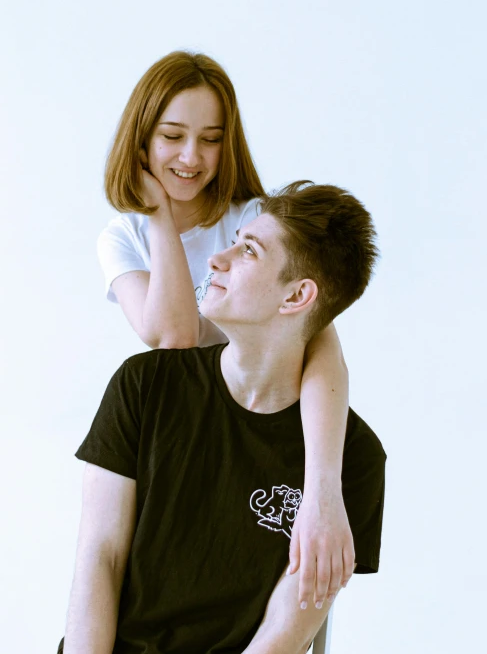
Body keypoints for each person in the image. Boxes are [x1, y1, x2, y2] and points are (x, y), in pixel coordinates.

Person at [59, 181, 386, 654]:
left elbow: (283, 634)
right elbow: (99, 559)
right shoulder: (145, 385)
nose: (217, 259)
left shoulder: (353, 459)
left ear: (296, 297)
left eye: (248, 251)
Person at [97, 51, 354, 607]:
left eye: (211, 139)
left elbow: (320, 341)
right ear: (140, 139)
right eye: (172, 136)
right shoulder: (123, 237)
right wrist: (160, 217)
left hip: (261, 429)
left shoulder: (252, 221)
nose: (192, 157)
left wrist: (323, 490)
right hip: (180, 435)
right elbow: (171, 340)